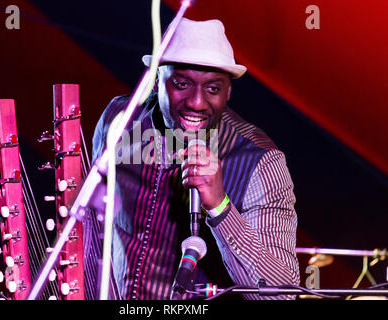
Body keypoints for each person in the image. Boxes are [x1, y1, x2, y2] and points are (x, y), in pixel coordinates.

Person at [89, 18, 300, 300]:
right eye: (182, 83)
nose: (196, 102)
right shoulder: (120, 120)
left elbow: (281, 295)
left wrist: (220, 207)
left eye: (213, 88)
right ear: (155, 82)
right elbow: (91, 223)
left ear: (228, 92)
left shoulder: (260, 160)